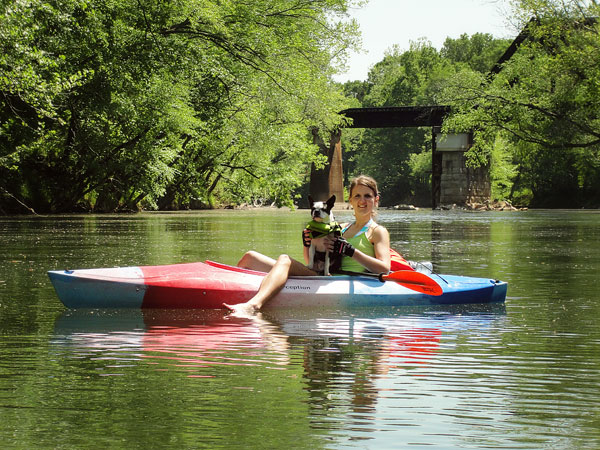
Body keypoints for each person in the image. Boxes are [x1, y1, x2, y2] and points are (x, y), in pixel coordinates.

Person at [223, 175, 391, 315]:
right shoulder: (340, 227)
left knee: (284, 259)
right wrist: (307, 243)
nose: (362, 200)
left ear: (376, 200)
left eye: (367, 196)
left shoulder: (377, 231)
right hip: (318, 272)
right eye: (357, 196)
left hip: (335, 278)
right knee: (250, 257)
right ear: (350, 200)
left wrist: (351, 251)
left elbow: (384, 268)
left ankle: (253, 305)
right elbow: (309, 258)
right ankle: (226, 293)